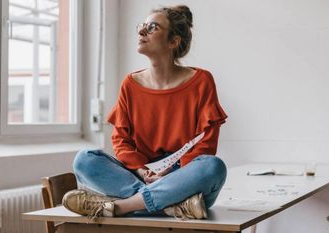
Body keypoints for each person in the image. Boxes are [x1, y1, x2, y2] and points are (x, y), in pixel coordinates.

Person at [62, 5, 228, 221]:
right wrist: (141, 170)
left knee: (213, 167)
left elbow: (206, 144)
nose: (141, 32)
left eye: (152, 27)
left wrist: (170, 175)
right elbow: (121, 140)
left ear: (173, 41)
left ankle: (122, 206)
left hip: (183, 177)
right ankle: (173, 207)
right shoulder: (130, 84)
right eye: (142, 26)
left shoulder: (202, 81)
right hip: (144, 174)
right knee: (84, 160)